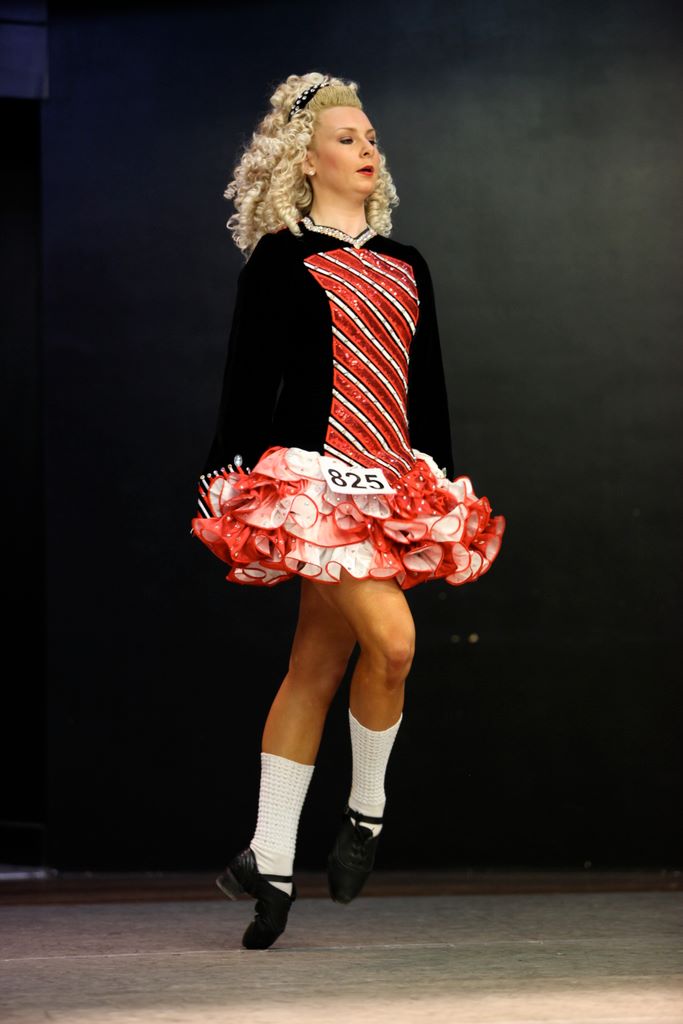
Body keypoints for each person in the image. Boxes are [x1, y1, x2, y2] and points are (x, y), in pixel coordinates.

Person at [190, 72, 506, 950]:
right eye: (346, 138)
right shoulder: (280, 260)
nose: (367, 149)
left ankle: (267, 858)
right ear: (305, 159)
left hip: (390, 485)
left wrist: (439, 483)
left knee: (314, 669)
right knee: (393, 643)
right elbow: (248, 384)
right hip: (313, 487)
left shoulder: (407, 263)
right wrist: (224, 478)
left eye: (370, 137)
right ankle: (364, 815)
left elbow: (424, 387)